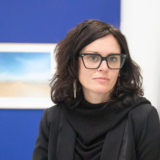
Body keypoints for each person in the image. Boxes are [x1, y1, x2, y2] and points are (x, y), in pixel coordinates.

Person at [32, 19, 160, 160]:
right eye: (93, 57)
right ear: (74, 63)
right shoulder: (53, 117)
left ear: (121, 68)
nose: (103, 67)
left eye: (112, 59)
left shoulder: (143, 116)